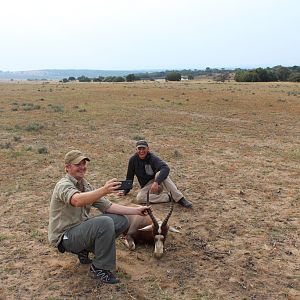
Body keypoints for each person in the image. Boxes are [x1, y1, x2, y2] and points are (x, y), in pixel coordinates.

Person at [48, 150, 149, 284]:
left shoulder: (84, 184)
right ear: (67, 167)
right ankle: (99, 268)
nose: (82, 167)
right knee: (105, 222)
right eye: (77, 164)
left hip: (79, 229)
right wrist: (103, 190)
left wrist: (137, 211)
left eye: (84, 163)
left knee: (121, 220)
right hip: (64, 237)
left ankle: (83, 250)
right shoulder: (63, 185)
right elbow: (76, 200)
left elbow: (108, 206)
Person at [122, 140, 193, 208]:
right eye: (139, 149)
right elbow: (129, 177)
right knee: (140, 198)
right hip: (147, 187)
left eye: (143, 148)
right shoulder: (133, 160)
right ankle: (169, 197)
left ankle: (180, 198)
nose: (141, 151)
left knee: (160, 173)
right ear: (136, 149)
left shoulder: (152, 158)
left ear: (148, 149)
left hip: (158, 183)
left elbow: (165, 168)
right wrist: (125, 191)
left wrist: (156, 182)